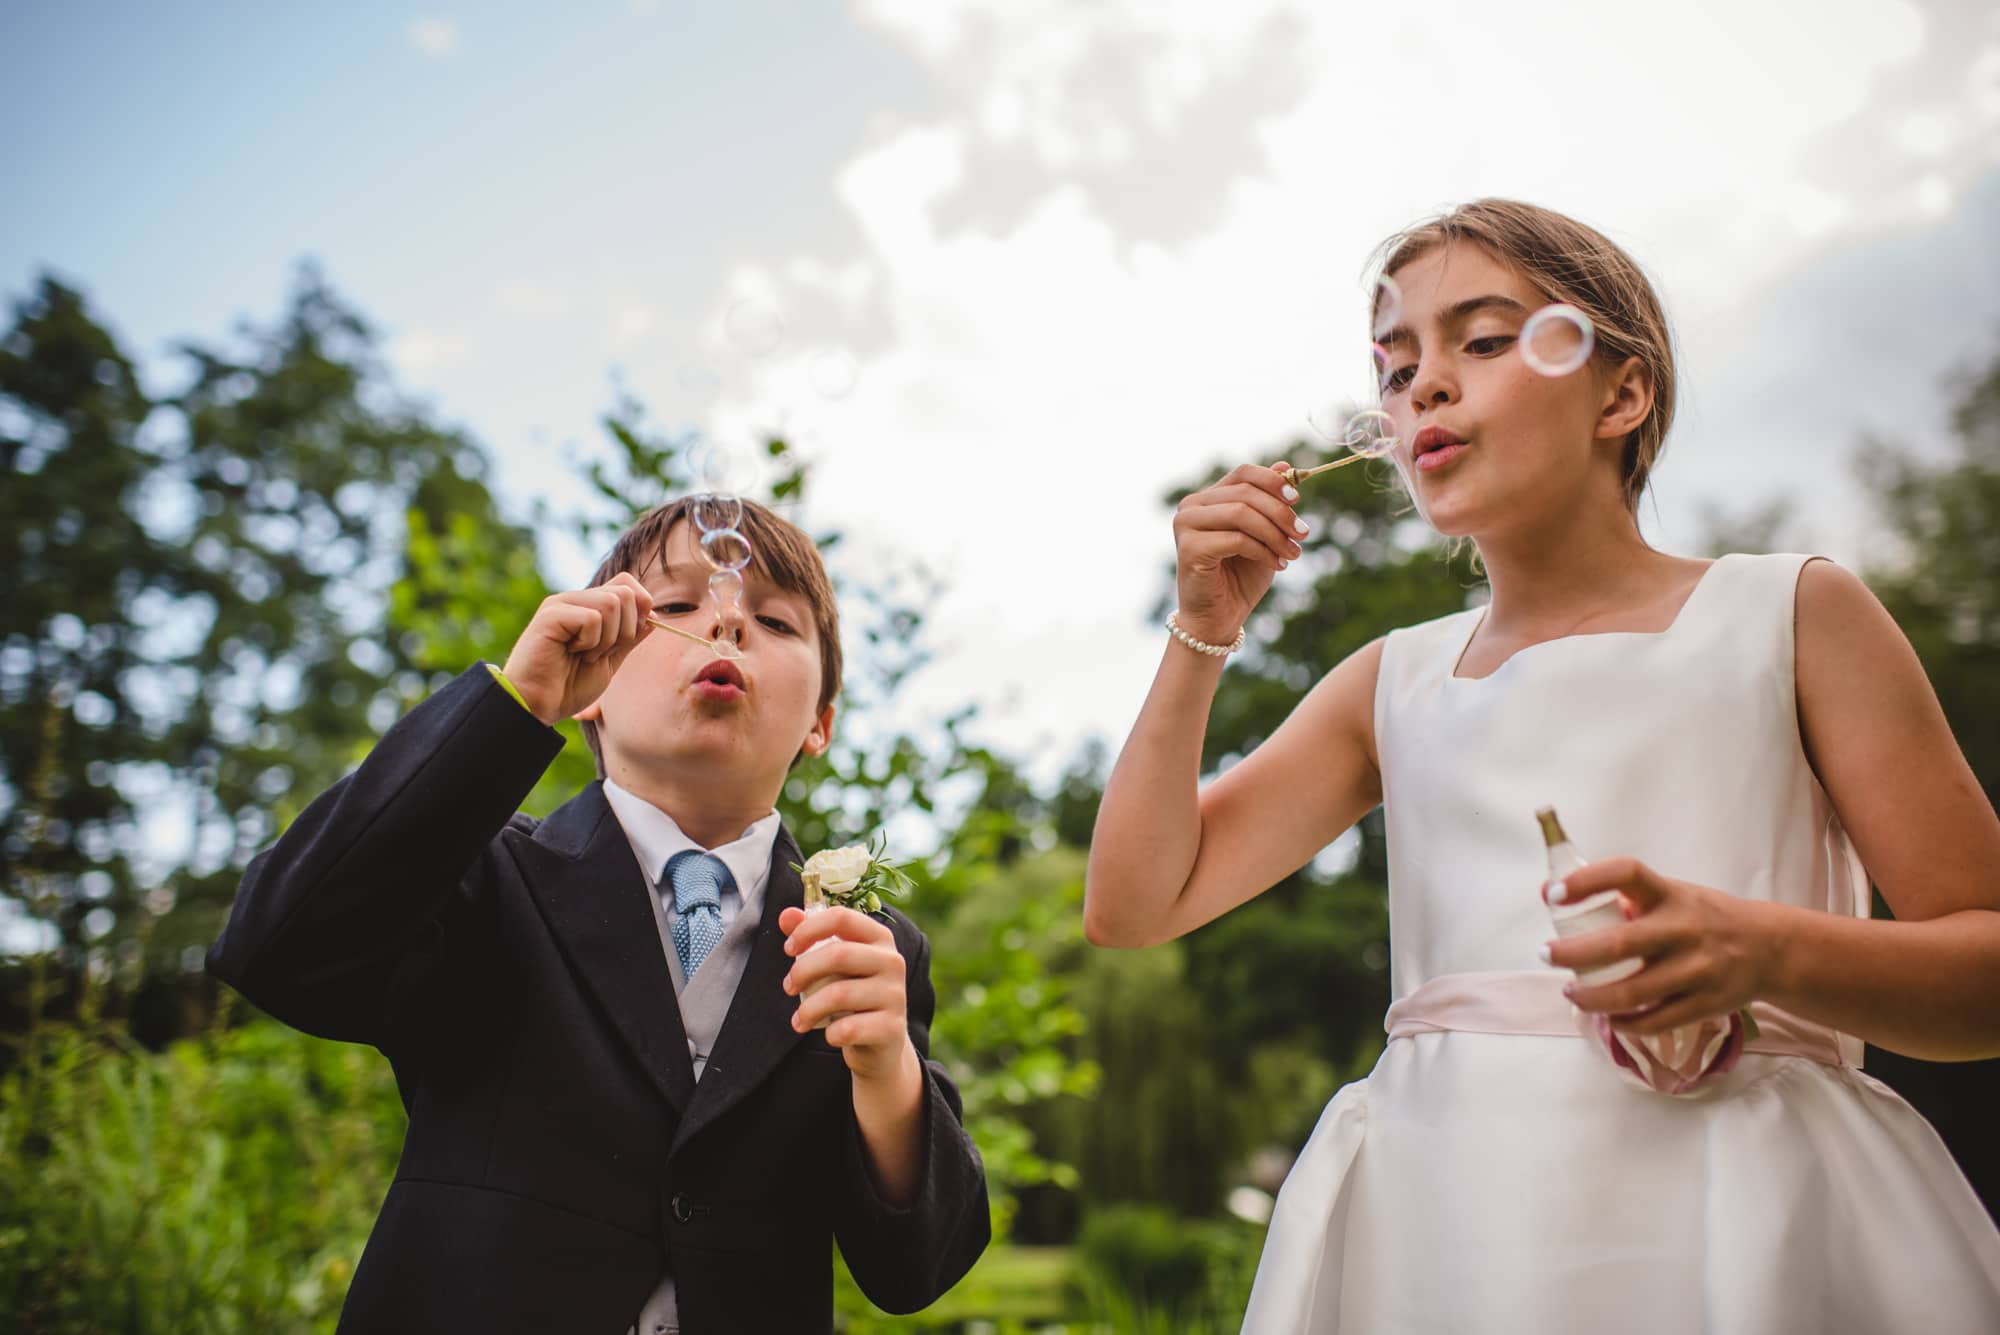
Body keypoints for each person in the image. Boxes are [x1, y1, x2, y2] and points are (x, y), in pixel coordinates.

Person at [1083, 198, 2000, 1332]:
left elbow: (1983, 973)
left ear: (1619, 393)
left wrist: (1757, 948)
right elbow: (1132, 903)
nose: (1420, 384)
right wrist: (1201, 634)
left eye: (1477, 340)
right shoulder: (1389, 682)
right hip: (1447, 1218)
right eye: (1393, 363)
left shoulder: (1790, 613)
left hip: (1742, 1204)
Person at [208, 496, 990, 1334]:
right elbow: (278, 948)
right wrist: (512, 702)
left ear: (821, 723)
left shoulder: (866, 949)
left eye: (774, 619)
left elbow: (919, 1265)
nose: (725, 623)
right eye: (679, 604)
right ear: (596, 686)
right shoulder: (485, 875)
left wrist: (887, 1071)